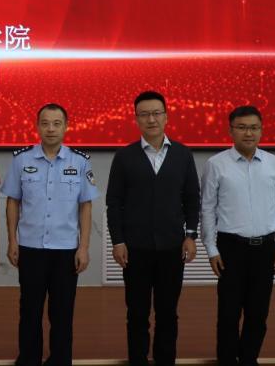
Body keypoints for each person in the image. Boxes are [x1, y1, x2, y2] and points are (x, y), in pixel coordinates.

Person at [106, 90, 200, 366]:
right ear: (136, 119)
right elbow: (114, 202)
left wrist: (191, 235)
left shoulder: (182, 154)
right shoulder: (124, 156)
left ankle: (165, 359)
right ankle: (138, 359)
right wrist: (117, 241)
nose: (151, 119)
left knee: (167, 312)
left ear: (166, 117)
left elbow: (192, 198)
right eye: (144, 114)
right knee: (137, 313)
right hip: (135, 249)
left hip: (172, 247)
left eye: (156, 113)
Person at [1, 103, 99, 366]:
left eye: (57, 123)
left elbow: (86, 206)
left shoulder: (80, 161)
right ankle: (29, 359)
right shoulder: (21, 160)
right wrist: (12, 240)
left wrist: (84, 247)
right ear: (37, 127)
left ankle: (60, 359)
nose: (51, 129)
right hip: (30, 248)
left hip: (66, 250)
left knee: (62, 313)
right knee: (29, 311)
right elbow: (12, 202)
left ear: (66, 127)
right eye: (45, 123)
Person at [201, 105, 275, 366]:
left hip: (265, 248)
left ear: (261, 130)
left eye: (253, 128)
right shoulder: (216, 164)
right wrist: (211, 249)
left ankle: (249, 359)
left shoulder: (273, 163)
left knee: (258, 314)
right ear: (231, 131)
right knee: (228, 314)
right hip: (231, 248)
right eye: (241, 127)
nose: (248, 133)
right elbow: (207, 208)